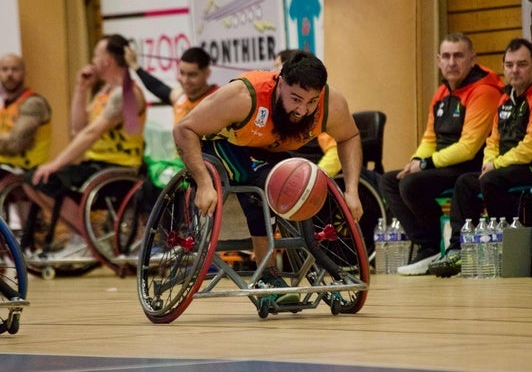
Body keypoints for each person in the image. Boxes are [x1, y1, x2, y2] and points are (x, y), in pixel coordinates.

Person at [173, 50, 362, 301]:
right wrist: (204, 182)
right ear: (280, 82)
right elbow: (183, 129)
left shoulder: (331, 103)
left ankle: (319, 267)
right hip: (220, 145)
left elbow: (349, 136)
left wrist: (352, 191)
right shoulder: (243, 96)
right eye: (295, 99)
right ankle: (267, 272)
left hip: (265, 148)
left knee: (304, 184)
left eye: (311, 102)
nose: (302, 110)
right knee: (263, 185)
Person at [429, 38, 532, 277]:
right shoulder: (504, 98)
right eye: (509, 65)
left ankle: (507, 243)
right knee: (465, 183)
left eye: (521, 64)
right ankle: (459, 250)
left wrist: (496, 165)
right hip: (509, 167)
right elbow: (493, 140)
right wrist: (488, 162)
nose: (515, 70)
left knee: (492, 180)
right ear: (503, 67)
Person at [380, 32, 503, 276]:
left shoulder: (484, 91)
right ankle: (428, 246)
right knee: (390, 181)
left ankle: (432, 246)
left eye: (458, 56)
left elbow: (468, 146)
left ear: (472, 59)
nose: (451, 62)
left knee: (413, 183)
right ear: (438, 60)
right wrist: (416, 160)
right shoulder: (441, 93)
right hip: (443, 164)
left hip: (470, 164)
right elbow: (430, 137)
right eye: (446, 56)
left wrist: (426, 164)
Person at [23, 34, 146, 251]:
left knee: (44, 178)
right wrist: (81, 89)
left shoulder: (126, 94)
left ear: (106, 60)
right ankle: (88, 237)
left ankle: (92, 240)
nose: (92, 60)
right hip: (96, 166)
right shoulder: (104, 92)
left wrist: (56, 163)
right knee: (31, 181)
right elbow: (78, 129)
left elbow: (91, 133)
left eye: (95, 55)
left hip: (118, 170)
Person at [124, 46, 219, 206]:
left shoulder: (217, 99)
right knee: (146, 185)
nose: (185, 80)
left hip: (204, 167)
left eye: (192, 75)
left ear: (206, 73)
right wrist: (135, 66)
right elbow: (156, 87)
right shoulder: (180, 97)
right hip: (179, 165)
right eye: (182, 73)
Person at [274, 49, 342, 177]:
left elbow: (336, 152)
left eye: (276, 66)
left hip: (308, 176)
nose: (273, 72)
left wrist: (314, 177)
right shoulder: (277, 109)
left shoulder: (317, 112)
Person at [0, 54, 51, 174]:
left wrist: (8, 138)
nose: (9, 74)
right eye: (5, 69)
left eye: (15, 69)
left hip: (25, 172)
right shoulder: (5, 106)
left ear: (24, 73)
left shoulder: (34, 103)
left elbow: (15, 143)